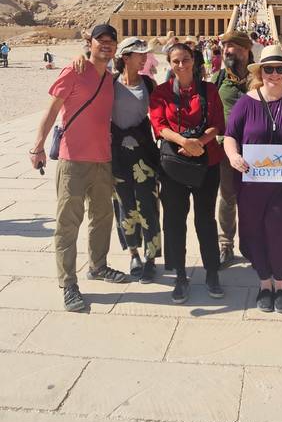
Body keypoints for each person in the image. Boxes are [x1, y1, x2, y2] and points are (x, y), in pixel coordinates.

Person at [29, 24, 127, 313]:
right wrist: (37, 146)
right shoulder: (74, 70)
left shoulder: (110, 78)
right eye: (101, 40)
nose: (106, 45)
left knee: (102, 217)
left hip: (102, 159)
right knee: (68, 223)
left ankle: (98, 266)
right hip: (73, 160)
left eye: (111, 41)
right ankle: (68, 283)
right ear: (91, 42)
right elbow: (51, 110)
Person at [224, 44, 282, 313]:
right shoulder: (245, 102)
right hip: (251, 185)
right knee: (252, 234)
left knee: (278, 233)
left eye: (279, 69)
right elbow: (230, 136)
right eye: (269, 69)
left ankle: (281, 284)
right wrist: (233, 156)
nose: (274, 74)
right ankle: (264, 284)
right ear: (260, 72)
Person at [150, 43, 225, 303]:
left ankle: (212, 272)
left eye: (184, 60)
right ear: (169, 64)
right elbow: (159, 125)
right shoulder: (161, 92)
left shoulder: (210, 89)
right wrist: (185, 143)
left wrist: (199, 144)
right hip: (174, 165)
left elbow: (217, 124)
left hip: (207, 163)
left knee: (205, 219)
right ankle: (180, 274)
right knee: (174, 219)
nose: (180, 65)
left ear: (193, 60)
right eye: (175, 61)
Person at [111, 38, 161, 282]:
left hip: (143, 154)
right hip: (117, 155)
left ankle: (151, 257)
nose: (144, 58)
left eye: (145, 54)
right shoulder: (109, 83)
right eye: (139, 54)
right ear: (125, 57)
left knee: (148, 205)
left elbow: (160, 117)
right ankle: (133, 254)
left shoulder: (149, 84)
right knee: (125, 206)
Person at [212, 31, 253, 267]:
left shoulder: (260, 76)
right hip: (226, 151)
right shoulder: (220, 79)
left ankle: (249, 243)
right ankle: (225, 244)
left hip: (256, 151)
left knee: (252, 200)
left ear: (246, 50)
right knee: (227, 198)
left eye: (232, 47)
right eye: (224, 46)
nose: (226, 51)